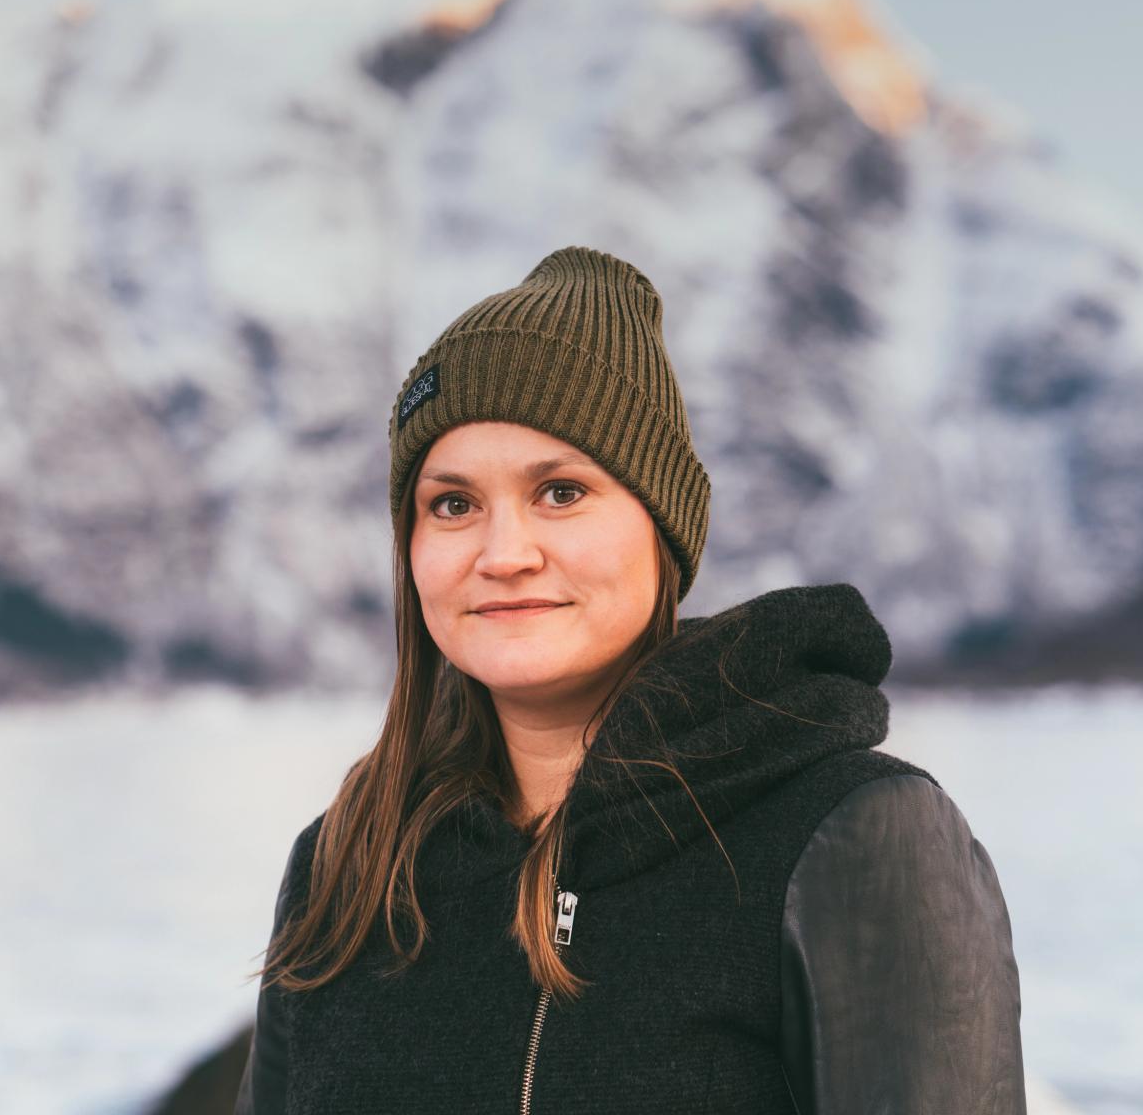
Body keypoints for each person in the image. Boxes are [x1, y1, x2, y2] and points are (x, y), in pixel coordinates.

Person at [233, 246, 1025, 1114]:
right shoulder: (347, 861)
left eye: (562, 493)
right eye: (452, 504)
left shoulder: (852, 834)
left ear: (662, 531)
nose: (504, 555)